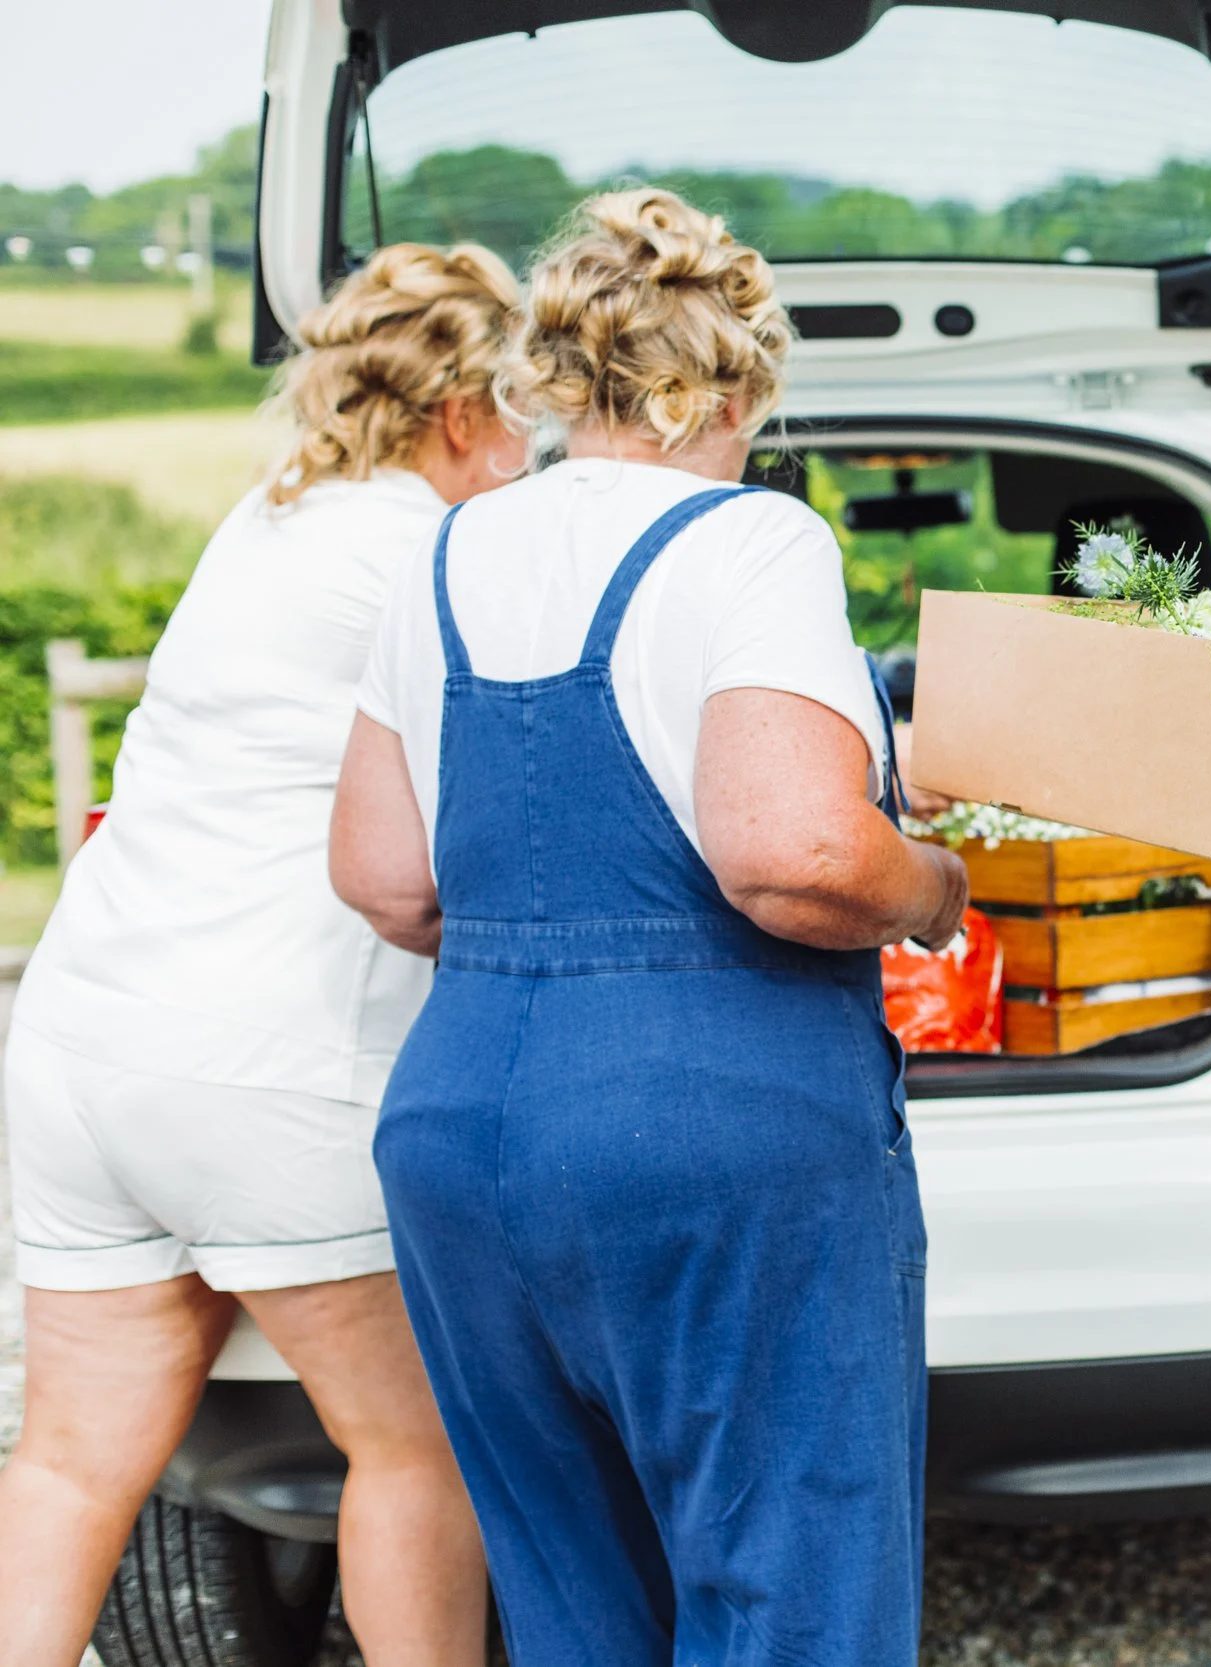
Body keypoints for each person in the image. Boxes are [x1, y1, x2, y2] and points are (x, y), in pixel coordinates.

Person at [330, 188, 969, 1667]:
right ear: (736, 385)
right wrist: (934, 889)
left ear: (556, 378)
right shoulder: (751, 541)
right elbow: (797, 856)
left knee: (572, 1605)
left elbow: (384, 876)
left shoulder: (441, 555)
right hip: (714, 1130)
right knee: (788, 1590)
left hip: (458, 1129)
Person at [0, 244, 519, 1664]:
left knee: (65, 1462)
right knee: (418, 1447)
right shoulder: (440, 555)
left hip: (83, 1047)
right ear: (464, 410)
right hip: (267, 1067)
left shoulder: (272, 516)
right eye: (524, 412)